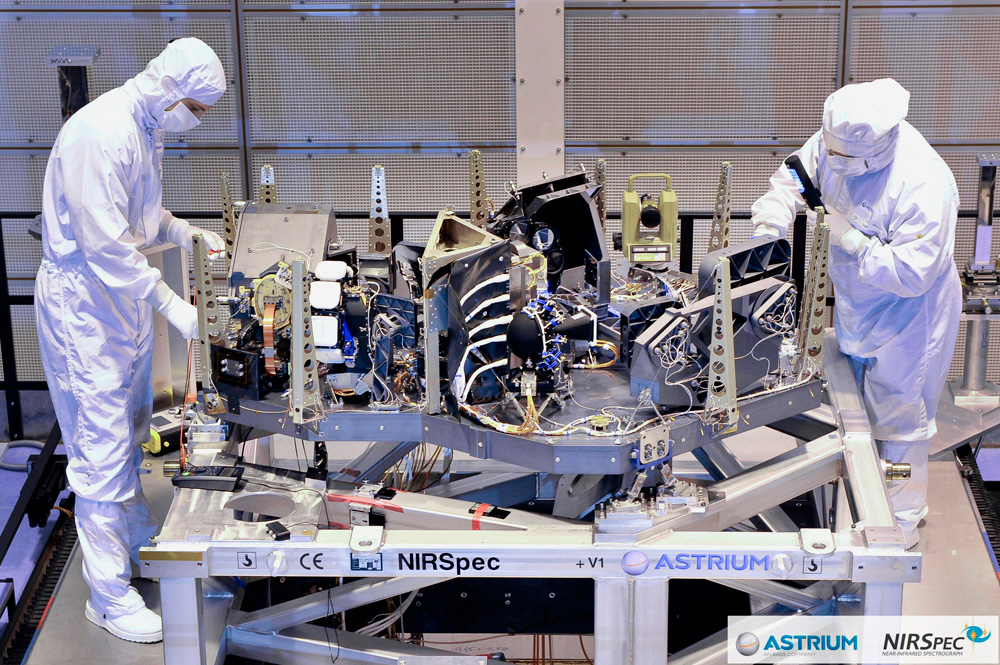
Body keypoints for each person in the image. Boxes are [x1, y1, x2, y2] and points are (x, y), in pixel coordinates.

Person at [34, 38, 228, 642]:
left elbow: (143, 218)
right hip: (85, 308)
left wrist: (187, 232)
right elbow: (105, 247)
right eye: (196, 108)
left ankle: (138, 537)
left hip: (121, 303)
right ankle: (108, 596)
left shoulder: (147, 129)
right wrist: (175, 305)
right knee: (100, 451)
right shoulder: (100, 133)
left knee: (134, 425)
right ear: (172, 89)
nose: (196, 120)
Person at [750, 78, 961, 548]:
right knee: (861, 412)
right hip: (859, 304)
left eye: (845, 157)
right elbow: (793, 179)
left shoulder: (922, 181)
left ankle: (901, 522)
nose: (835, 162)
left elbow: (912, 274)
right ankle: (867, 499)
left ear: (882, 142)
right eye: (832, 152)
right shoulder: (837, 139)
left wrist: (850, 238)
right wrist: (769, 227)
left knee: (900, 423)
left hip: (910, 318)